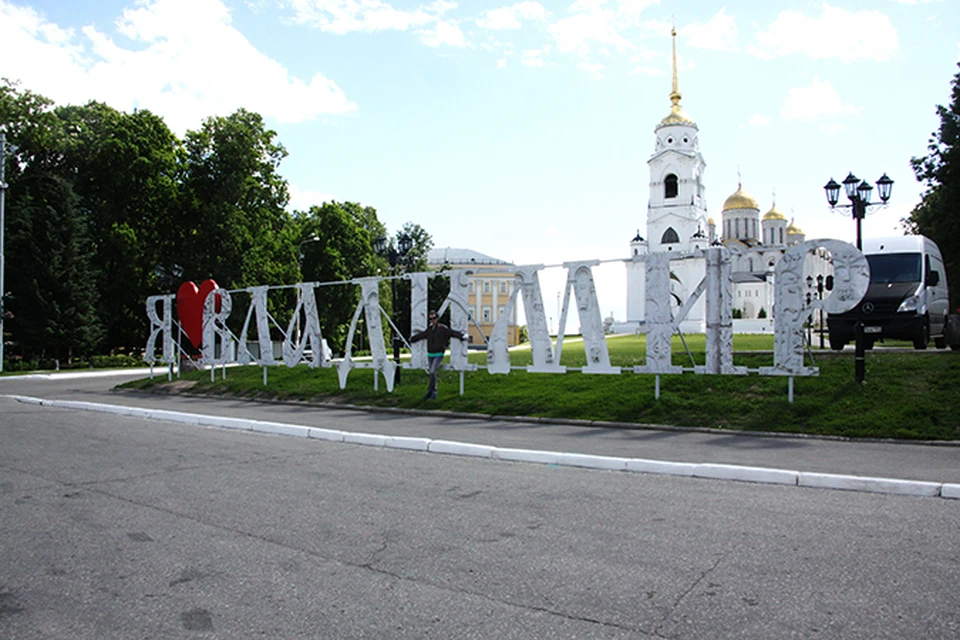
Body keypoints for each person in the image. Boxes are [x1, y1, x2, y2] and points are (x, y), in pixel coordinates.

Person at [410, 310, 467, 400]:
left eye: (434, 318)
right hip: (430, 354)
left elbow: (452, 333)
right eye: (431, 319)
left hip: (439, 354)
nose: (432, 320)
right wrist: (412, 339)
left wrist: (462, 336)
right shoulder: (429, 330)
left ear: (437, 318)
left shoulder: (442, 328)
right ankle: (431, 393)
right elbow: (421, 335)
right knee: (432, 373)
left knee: (432, 371)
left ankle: (432, 392)